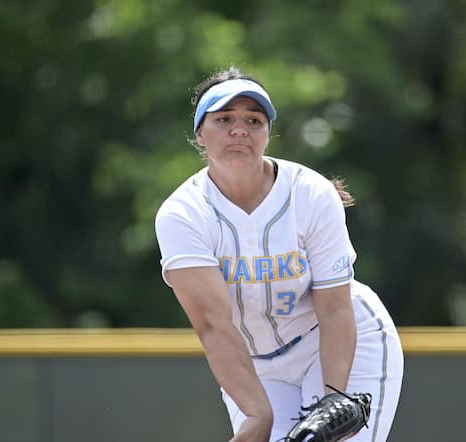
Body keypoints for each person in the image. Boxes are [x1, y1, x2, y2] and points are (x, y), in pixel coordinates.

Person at [154, 66, 403, 442]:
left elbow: (335, 308)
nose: (240, 129)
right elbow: (213, 324)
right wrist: (256, 415)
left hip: (338, 341)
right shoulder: (183, 215)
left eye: (254, 120)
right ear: (200, 134)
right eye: (224, 119)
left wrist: (333, 401)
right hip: (255, 365)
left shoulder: (311, 194)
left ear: (267, 133)